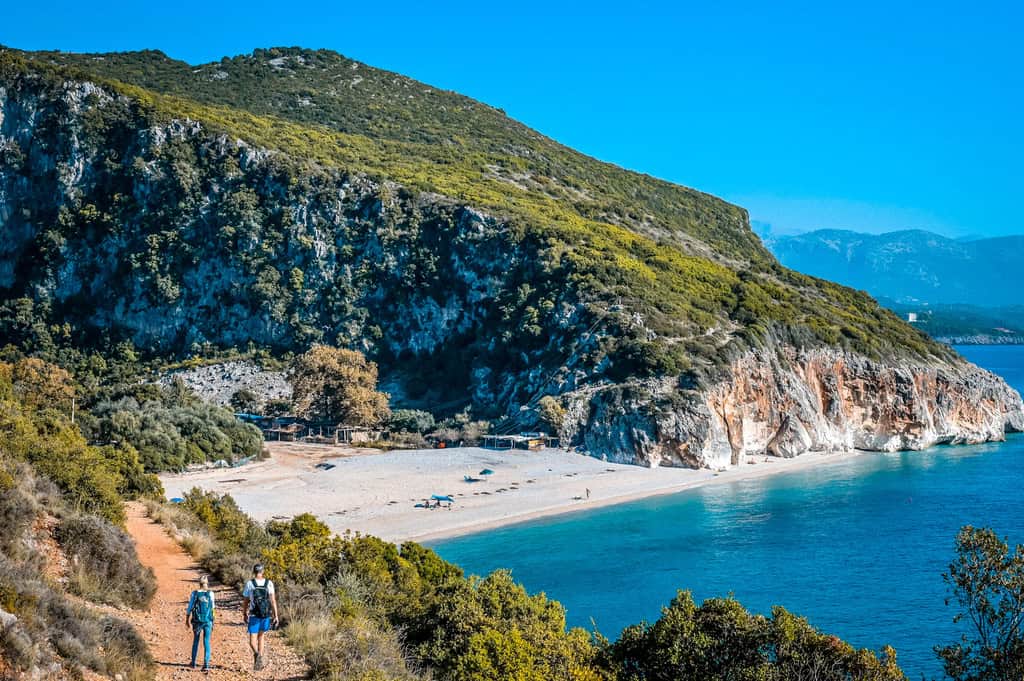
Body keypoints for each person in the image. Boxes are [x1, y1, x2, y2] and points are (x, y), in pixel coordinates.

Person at [242, 564, 279, 671]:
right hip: (265, 614)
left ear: (254, 571)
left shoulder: (250, 584)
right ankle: (260, 659)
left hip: (254, 614)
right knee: (261, 637)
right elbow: (273, 600)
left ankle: (257, 655)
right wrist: (276, 615)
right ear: (263, 571)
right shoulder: (269, 583)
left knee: (252, 641)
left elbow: (246, 601)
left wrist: (244, 613)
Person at [185, 575, 216, 673]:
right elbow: (213, 608)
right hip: (208, 621)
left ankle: (193, 662)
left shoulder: (194, 593)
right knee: (206, 642)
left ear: (199, 583)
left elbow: (190, 606)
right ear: (207, 583)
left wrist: (187, 618)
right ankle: (206, 664)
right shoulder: (210, 593)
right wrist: (213, 620)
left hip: (197, 621)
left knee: (196, 641)